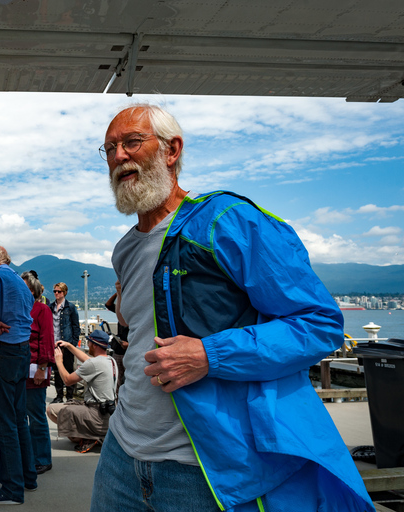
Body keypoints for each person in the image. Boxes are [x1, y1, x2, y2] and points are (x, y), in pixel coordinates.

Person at [90, 103, 374, 512]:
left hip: (204, 468)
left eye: (132, 142)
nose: (119, 157)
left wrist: (209, 355)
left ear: (172, 151)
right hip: (120, 454)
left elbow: (319, 324)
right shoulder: (125, 249)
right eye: (110, 148)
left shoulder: (227, 221)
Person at [0, 245, 37, 505]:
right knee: (17, 417)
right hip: (21, 352)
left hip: (1, 352)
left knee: (3, 423)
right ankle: (27, 476)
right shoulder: (20, 281)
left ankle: (12, 490)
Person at [46, 330, 117, 454]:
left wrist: (59, 361)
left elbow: (68, 380)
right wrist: (69, 345)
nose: (88, 345)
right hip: (108, 415)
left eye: (89, 342)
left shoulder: (93, 363)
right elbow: (86, 359)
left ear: (94, 345)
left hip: (96, 417)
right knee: (71, 410)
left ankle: (89, 435)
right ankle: (89, 434)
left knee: (51, 410)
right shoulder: (110, 360)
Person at [20, 271, 55, 475]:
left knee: (36, 417)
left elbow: (47, 339)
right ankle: (28, 456)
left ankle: (43, 458)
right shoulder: (18, 310)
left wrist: (42, 368)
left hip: (35, 371)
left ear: (32, 291)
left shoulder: (41, 310)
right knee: (20, 417)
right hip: (18, 371)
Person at [49, 282, 80, 403]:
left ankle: (70, 396)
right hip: (54, 344)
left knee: (69, 369)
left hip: (66, 344)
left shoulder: (70, 307)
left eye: (59, 291)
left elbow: (75, 326)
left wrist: (73, 343)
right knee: (57, 371)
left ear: (65, 292)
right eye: (55, 291)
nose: (56, 293)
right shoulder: (50, 307)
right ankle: (59, 395)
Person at [103, 281, 128, 396]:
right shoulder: (121, 310)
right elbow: (108, 304)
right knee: (117, 379)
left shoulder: (133, 313)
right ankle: (116, 401)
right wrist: (118, 293)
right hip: (119, 349)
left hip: (129, 350)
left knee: (127, 380)